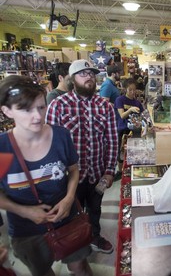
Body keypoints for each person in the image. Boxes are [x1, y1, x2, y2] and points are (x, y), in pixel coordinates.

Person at [0, 75, 92, 275]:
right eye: (26, 110)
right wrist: (25, 211)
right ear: (7, 111)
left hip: (67, 219)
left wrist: (69, 198)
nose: (37, 116)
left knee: (80, 266)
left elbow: (73, 169)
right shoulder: (3, 149)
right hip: (27, 230)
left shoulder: (60, 136)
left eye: (41, 107)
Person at [46, 59, 118, 254]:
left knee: (95, 210)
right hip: (70, 178)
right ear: (72, 79)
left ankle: (95, 236)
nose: (89, 77)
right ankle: (76, 244)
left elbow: (112, 140)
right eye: (83, 74)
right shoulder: (58, 105)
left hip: (97, 172)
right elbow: (51, 145)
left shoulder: (105, 106)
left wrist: (110, 171)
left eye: (92, 74)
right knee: (72, 215)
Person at [115, 78, 144, 172]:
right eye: (130, 90)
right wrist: (130, 110)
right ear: (125, 90)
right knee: (121, 152)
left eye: (134, 90)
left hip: (134, 131)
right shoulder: (120, 100)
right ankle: (120, 171)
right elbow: (122, 115)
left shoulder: (137, 102)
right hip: (122, 129)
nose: (132, 92)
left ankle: (129, 171)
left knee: (132, 152)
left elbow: (143, 115)